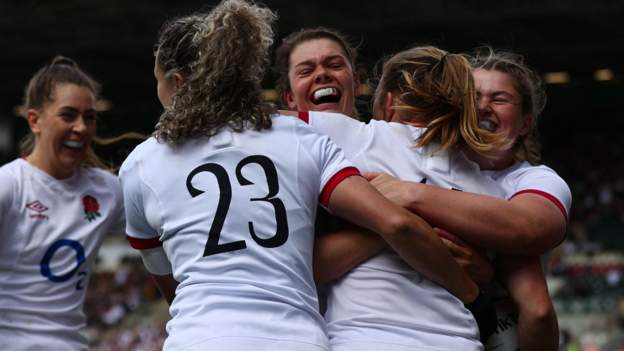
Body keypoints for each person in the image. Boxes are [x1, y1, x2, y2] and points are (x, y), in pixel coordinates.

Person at [119, 2, 480, 351]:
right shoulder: (301, 139)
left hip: (199, 339)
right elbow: (396, 225)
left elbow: (171, 281)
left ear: (179, 83)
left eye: (157, 82)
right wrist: (470, 291)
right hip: (297, 338)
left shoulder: (140, 165)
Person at [279, 44, 569, 350]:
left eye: (499, 99)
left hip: (364, 340)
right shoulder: (492, 197)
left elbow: (253, 121)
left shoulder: (355, 136)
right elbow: (535, 308)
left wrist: (398, 209)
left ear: (388, 102)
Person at [366, 47, 570, 350]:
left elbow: (528, 229)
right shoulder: (417, 152)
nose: (484, 106)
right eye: (473, 97)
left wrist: (410, 195)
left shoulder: (533, 180)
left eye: (500, 98)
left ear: (526, 123)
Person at [0, 56, 125, 351]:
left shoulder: (107, 190)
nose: (81, 127)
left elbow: (158, 235)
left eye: (89, 117)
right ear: (34, 121)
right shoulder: (10, 186)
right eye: (68, 115)